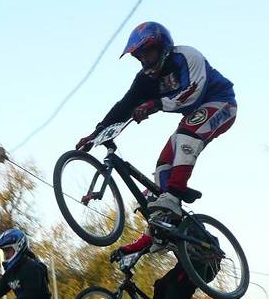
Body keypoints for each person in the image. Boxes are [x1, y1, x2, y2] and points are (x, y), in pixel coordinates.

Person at [76, 21, 236, 219]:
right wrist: (96, 133)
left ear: (162, 47)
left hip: (221, 103)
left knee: (186, 136)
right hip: (193, 118)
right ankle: (168, 230)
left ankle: (174, 195)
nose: (144, 60)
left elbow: (193, 93)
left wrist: (154, 104)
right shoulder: (144, 79)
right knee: (163, 167)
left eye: (147, 52)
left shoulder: (186, 56)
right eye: (139, 56)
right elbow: (124, 106)